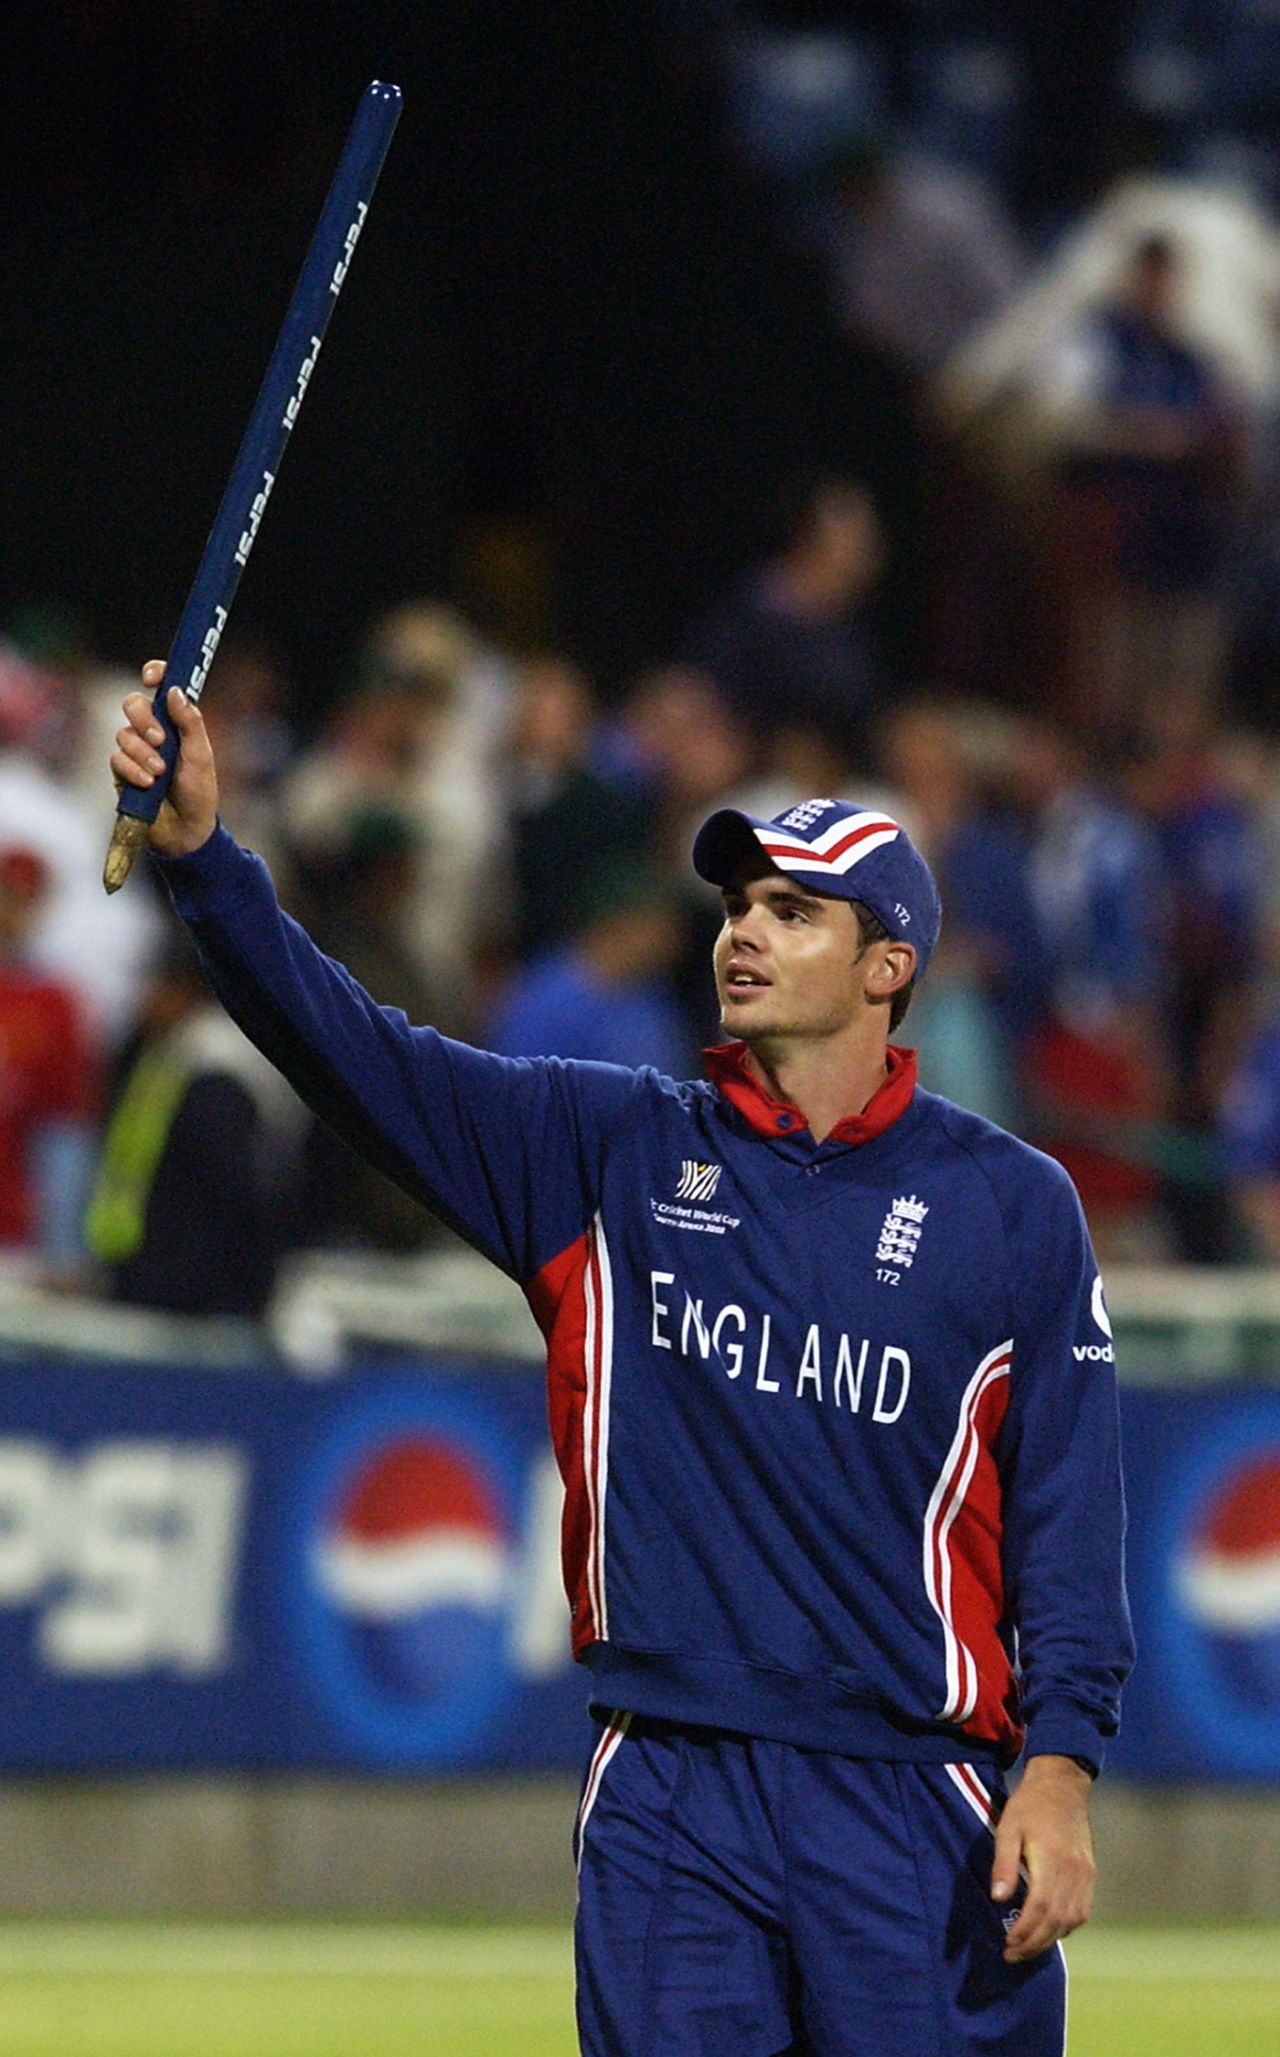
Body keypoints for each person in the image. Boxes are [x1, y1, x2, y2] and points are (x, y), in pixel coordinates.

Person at [112, 667, 1133, 2057]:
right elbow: (355, 1055)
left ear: (888, 967)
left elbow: (1071, 1521)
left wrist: (1061, 1769)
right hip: (669, 1788)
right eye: (736, 904)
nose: (743, 932)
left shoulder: (1010, 1207)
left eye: (793, 911)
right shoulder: (609, 1149)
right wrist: (206, 863)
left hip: (913, 1794)